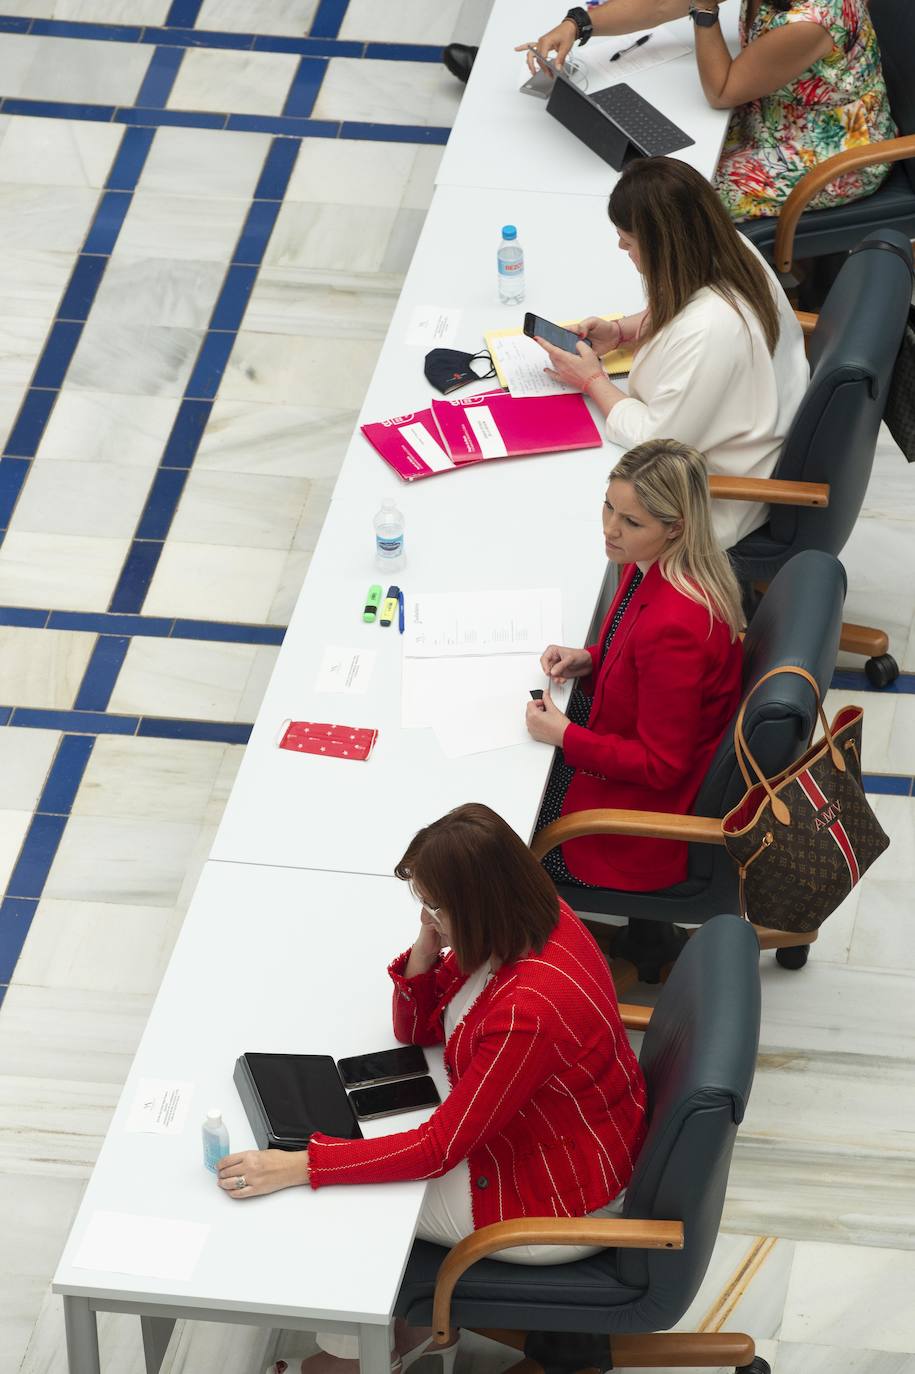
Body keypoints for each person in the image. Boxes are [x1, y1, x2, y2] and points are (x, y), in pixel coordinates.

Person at [217, 803, 647, 1374]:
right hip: (559, 1145)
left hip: (555, 1198)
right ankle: (420, 1336)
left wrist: (302, 1165)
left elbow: (436, 1150)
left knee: (344, 1196)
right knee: (358, 1166)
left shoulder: (528, 1011)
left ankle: (356, 1360)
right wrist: (427, 944)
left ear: (476, 905)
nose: (427, 916)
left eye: (436, 907)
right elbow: (417, 1028)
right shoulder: (524, 921)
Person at [532, 156, 808, 550]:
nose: (621, 247)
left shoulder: (710, 329)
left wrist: (591, 380)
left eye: (629, 241)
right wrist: (624, 330)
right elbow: (686, 298)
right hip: (746, 434)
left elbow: (656, 441)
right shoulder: (729, 245)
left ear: (663, 245)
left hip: (716, 495)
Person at [527, 440, 744, 891]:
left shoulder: (676, 626)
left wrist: (565, 735)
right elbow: (642, 665)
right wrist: (591, 659)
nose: (610, 529)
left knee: (504, 842)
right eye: (609, 506)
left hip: (635, 821)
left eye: (631, 521)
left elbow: (662, 765)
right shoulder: (649, 560)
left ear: (675, 527)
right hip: (621, 744)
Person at [520, 1, 895, 222]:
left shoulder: (812, 20)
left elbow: (722, 91)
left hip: (831, 153)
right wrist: (578, 23)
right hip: (773, 112)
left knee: (670, 202)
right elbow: (663, 4)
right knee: (650, 164)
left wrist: (705, 11)